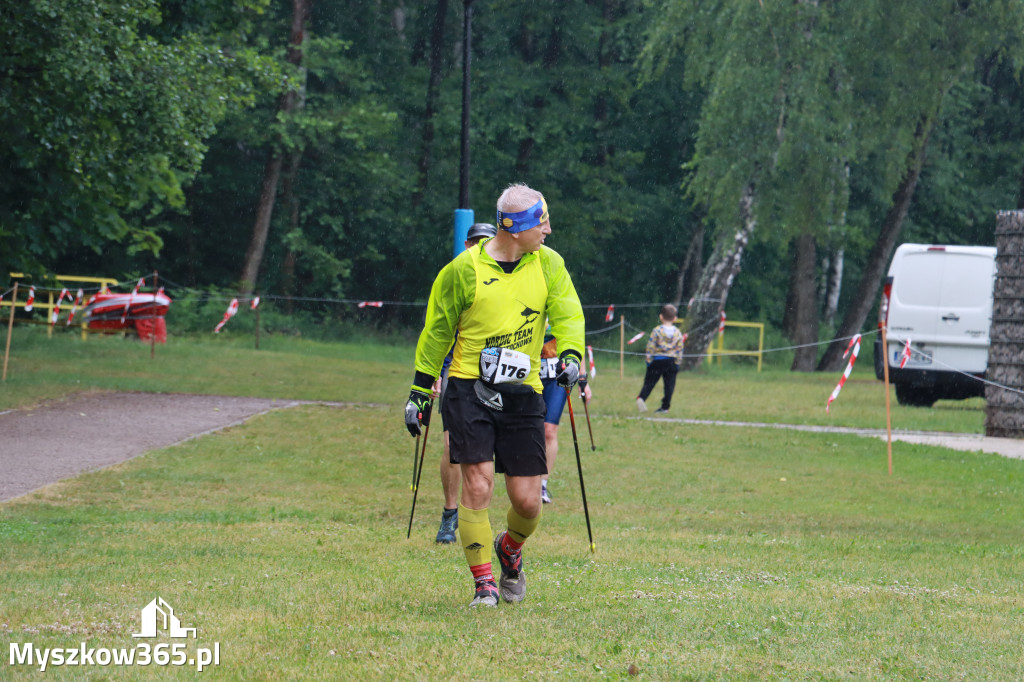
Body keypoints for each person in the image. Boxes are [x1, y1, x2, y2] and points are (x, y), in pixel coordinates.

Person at [405, 183, 585, 608]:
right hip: (470, 388)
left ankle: (510, 549)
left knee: (527, 502)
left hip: (524, 392)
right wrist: (419, 391)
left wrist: (572, 355)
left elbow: (568, 310)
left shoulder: (549, 264)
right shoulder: (463, 270)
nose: (549, 229)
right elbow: (436, 333)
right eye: (542, 221)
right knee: (479, 485)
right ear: (516, 226)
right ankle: (484, 581)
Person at [433, 222, 498, 544]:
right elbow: (437, 331)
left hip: (495, 370)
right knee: (451, 445)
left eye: (487, 242)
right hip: (454, 367)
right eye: (476, 242)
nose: (481, 247)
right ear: (467, 243)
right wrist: (430, 375)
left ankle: (479, 508)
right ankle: (449, 514)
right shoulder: (454, 275)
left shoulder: (503, 277)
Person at [538, 328, 592, 504]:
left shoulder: (561, 304)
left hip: (556, 375)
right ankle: (526, 480)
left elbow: (576, 340)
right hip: (530, 372)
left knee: (549, 430)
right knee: (529, 429)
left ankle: (542, 485)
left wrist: (582, 380)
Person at [636, 304, 684, 414]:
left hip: (657, 360)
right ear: (675, 318)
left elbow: (650, 346)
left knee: (650, 382)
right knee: (669, 385)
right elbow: (680, 348)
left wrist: (648, 361)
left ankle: (642, 398)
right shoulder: (677, 333)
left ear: (661, 317)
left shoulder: (656, 331)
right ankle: (665, 407)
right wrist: (677, 363)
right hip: (671, 361)